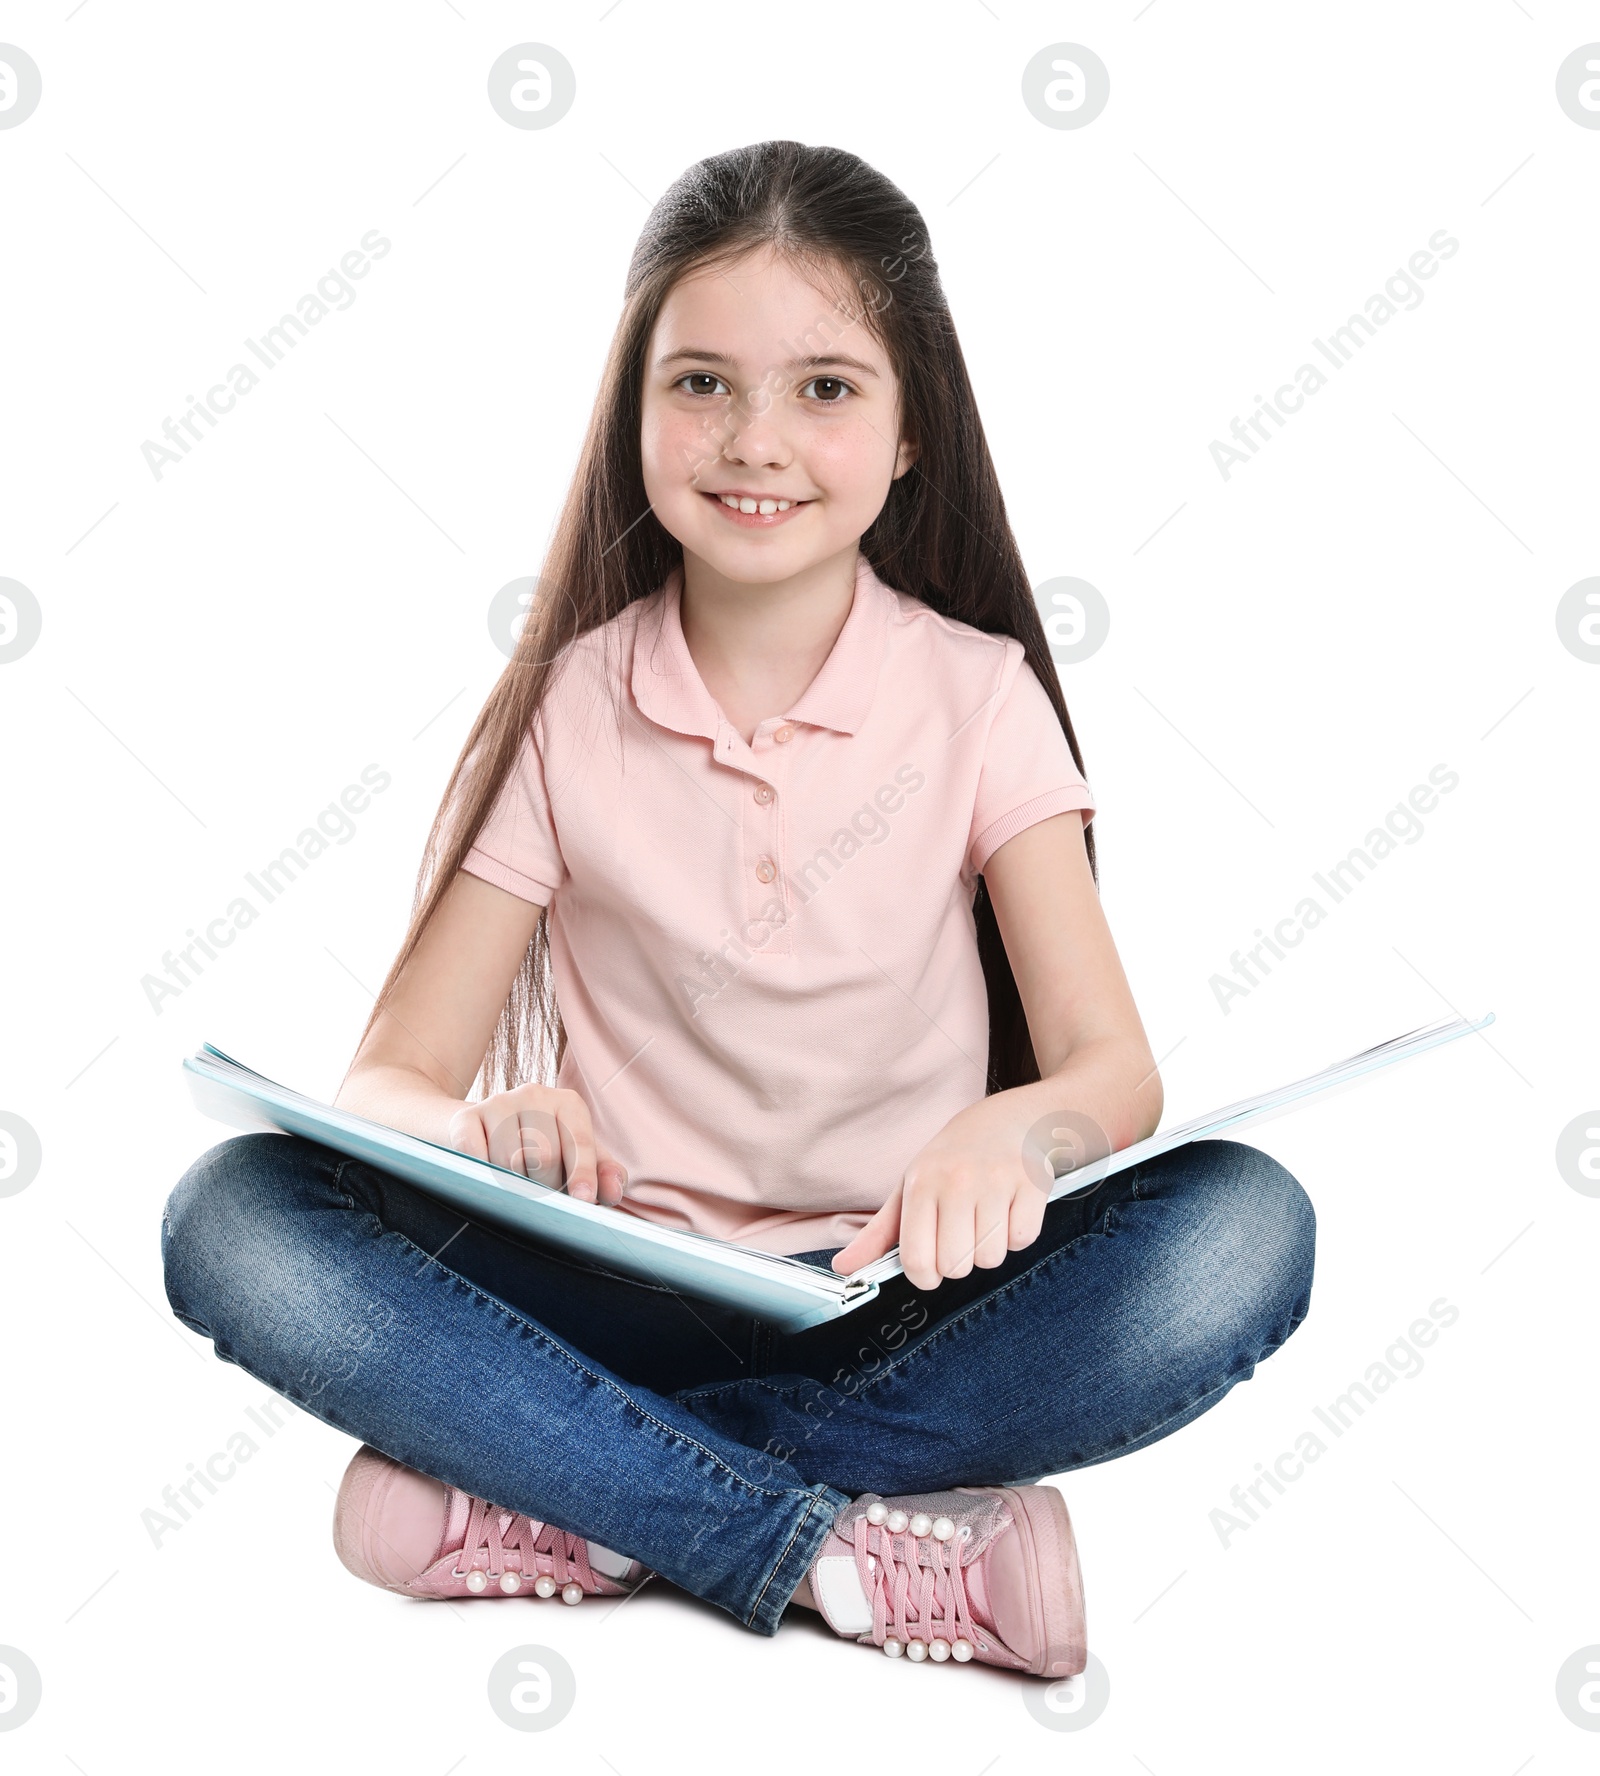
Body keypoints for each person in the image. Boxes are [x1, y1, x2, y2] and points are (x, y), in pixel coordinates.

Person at [160, 139, 1316, 1678]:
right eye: (700, 383)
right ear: (632, 413)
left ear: (913, 437)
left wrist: (1013, 1135)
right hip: (602, 1292)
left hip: (901, 1308)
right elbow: (387, 1081)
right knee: (231, 1216)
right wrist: (478, 1131)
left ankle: (578, 1493)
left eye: (826, 388)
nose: (755, 438)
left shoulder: (979, 700)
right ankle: (831, 1543)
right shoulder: (569, 706)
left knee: (1245, 1228)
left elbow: (1115, 1072)